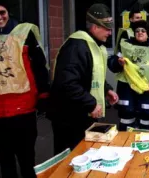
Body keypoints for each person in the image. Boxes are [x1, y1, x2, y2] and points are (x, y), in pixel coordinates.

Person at [48, 3, 119, 155]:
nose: (110, 32)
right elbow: (67, 83)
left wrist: (106, 90)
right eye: (107, 28)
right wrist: (91, 103)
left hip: (82, 113)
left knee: (84, 154)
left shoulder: (93, 45)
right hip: (69, 117)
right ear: (94, 27)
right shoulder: (77, 47)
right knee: (70, 158)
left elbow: (92, 75)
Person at [0, 1, 50, 178]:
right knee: (5, 155)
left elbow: (40, 65)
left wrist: (44, 94)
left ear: (8, 12)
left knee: (26, 155)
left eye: (1, 12)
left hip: (23, 106)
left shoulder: (24, 34)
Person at [108, 20, 149, 131]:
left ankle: (144, 143)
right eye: (137, 31)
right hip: (127, 88)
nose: (140, 33)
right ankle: (125, 142)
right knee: (126, 115)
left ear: (148, 34)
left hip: (148, 88)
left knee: (147, 116)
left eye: (143, 31)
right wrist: (118, 63)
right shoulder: (126, 46)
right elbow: (112, 63)